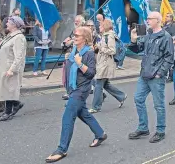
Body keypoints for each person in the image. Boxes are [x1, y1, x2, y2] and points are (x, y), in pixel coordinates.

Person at [45, 26, 107, 163]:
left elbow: (91, 73)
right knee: (83, 112)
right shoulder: (74, 50)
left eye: (77, 35)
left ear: (85, 39)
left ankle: (61, 149)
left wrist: (79, 64)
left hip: (81, 90)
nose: (74, 37)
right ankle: (100, 133)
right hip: (73, 88)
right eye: (74, 34)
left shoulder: (89, 53)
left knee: (68, 117)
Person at [129, 11, 174, 143]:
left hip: (156, 76)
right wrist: (133, 39)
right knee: (138, 99)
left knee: (158, 105)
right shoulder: (148, 35)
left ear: (157, 20)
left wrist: (160, 73)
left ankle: (160, 131)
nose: (147, 20)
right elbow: (138, 49)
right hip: (144, 74)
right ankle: (143, 128)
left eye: (150, 19)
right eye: (147, 18)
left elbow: (169, 58)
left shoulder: (166, 37)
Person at [0, 16, 27, 122]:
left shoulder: (19, 37)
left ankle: (7, 113)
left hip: (9, 68)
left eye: (8, 22)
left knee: (9, 89)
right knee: (6, 89)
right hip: (4, 67)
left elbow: (19, 56)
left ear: (14, 25)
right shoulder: (11, 36)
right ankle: (16, 104)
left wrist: (12, 69)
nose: (6, 24)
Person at [89, 19, 127, 113]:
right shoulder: (105, 35)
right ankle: (121, 96)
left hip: (105, 64)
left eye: (101, 25)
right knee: (104, 83)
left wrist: (100, 47)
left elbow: (112, 50)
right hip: (103, 63)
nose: (99, 27)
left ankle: (96, 107)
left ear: (105, 26)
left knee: (98, 84)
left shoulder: (109, 36)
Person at [61, 15, 85, 100]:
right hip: (70, 56)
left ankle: (75, 93)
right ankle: (69, 92)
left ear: (82, 22)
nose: (75, 22)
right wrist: (69, 41)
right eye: (75, 20)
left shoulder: (84, 31)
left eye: (77, 21)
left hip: (80, 56)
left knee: (78, 76)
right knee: (68, 74)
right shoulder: (73, 31)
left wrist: (74, 40)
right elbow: (67, 43)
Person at [163, 13, 175, 83]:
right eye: (166, 16)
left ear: (171, 18)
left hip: (170, 46)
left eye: (167, 16)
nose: (166, 17)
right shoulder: (164, 25)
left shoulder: (173, 26)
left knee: (170, 62)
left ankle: (171, 76)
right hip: (163, 46)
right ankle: (165, 75)